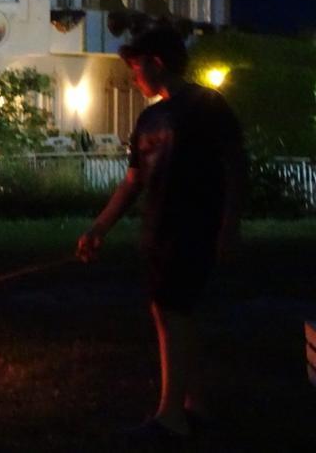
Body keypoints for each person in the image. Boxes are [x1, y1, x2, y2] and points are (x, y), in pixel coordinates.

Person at [76, 26, 246, 440]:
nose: (134, 77)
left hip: (195, 227)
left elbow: (235, 168)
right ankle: (195, 405)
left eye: (136, 67)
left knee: (175, 311)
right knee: (170, 312)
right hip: (159, 230)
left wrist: (228, 225)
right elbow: (133, 181)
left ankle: (171, 417)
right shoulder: (150, 117)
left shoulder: (207, 106)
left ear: (157, 62)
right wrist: (100, 227)